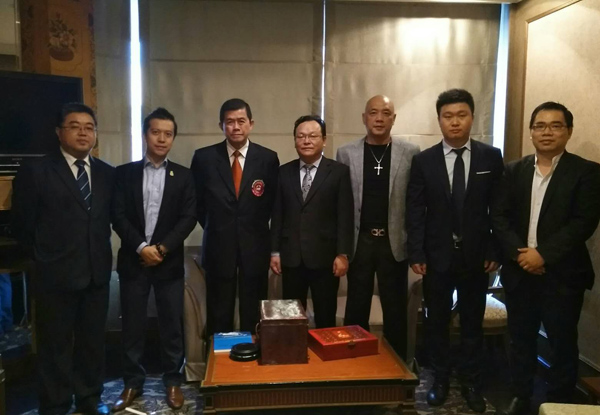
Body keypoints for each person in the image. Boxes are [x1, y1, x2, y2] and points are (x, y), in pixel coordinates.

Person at [493, 102, 600, 415]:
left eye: (555, 125)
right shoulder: (513, 170)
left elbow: (583, 222)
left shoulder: (587, 172)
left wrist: (543, 255)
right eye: (540, 126)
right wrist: (521, 255)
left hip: (562, 275)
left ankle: (560, 402)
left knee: (562, 342)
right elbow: (499, 217)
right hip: (520, 271)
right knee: (521, 339)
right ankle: (520, 395)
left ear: (568, 131)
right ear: (531, 132)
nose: (547, 132)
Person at [11, 103, 115, 415]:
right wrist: (43, 258)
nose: (83, 133)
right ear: (59, 132)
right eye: (75, 126)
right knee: (54, 346)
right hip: (54, 275)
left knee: (92, 343)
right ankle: (55, 404)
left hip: (96, 273)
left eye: (89, 127)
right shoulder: (37, 171)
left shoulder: (107, 173)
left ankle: (89, 398)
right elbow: (23, 225)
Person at [406, 89, 503, 412]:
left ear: (472, 117)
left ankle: (471, 382)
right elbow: (415, 210)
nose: (455, 122)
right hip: (436, 256)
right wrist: (416, 253)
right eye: (448, 116)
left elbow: (498, 209)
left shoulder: (491, 157)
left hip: (476, 256)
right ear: (439, 120)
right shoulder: (424, 160)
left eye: (461, 115)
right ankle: (440, 379)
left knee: (472, 322)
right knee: (436, 323)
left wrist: (494, 249)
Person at [111, 108, 196, 411]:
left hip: (168, 263)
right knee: (132, 326)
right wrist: (141, 247)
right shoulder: (124, 173)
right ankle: (132, 383)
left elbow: (188, 218)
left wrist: (161, 249)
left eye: (168, 134)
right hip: (134, 262)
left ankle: (173, 381)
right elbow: (117, 215)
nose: (162, 139)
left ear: (173, 138)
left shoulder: (184, 176)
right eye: (156, 132)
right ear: (145, 134)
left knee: (172, 325)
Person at [336, 95, 420, 359]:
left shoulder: (411, 152)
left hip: (393, 242)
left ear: (394, 119)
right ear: (364, 118)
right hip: (360, 241)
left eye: (386, 113)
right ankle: (354, 364)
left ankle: (398, 365)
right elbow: (342, 203)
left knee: (395, 309)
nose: (379, 118)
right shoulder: (346, 153)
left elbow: (415, 202)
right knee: (356, 307)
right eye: (373, 113)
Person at [190, 98, 279, 334]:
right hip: (218, 246)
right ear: (221, 125)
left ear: (251, 123)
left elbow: (273, 204)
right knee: (219, 313)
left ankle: (253, 354)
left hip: (255, 247)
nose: (236, 127)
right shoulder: (204, 158)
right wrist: (218, 227)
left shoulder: (268, 159)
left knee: (254, 313)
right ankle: (221, 356)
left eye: (241, 121)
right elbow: (197, 203)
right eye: (229, 122)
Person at [270, 115, 353, 327]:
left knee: (325, 317)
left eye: (313, 136)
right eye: (301, 136)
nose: (306, 141)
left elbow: (345, 215)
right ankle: (294, 348)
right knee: (292, 318)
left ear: (324, 140)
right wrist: (275, 252)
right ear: (295, 140)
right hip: (291, 257)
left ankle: (323, 349)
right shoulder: (283, 172)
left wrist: (343, 254)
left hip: (326, 258)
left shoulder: (339, 172)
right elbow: (277, 214)